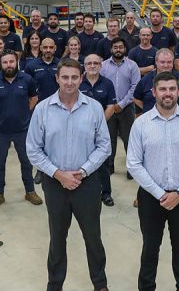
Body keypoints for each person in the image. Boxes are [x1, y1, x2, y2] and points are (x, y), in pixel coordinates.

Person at [26, 59, 111, 291]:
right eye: (65, 77)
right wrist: (58, 174)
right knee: (57, 239)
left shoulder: (94, 108)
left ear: (81, 78)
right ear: (57, 79)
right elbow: (33, 148)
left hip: (88, 184)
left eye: (74, 77)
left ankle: (100, 284)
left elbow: (104, 145)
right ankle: (55, 285)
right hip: (55, 185)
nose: (70, 82)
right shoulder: (43, 109)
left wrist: (82, 172)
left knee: (93, 238)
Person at [127, 71, 179, 291]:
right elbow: (133, 163)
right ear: (153, 92)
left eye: (172, 89)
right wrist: (160, 194)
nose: (168, 93)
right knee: (150, 249)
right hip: (151, 198)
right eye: (163, 89)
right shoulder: (141, 123)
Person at [0, 50, 42, 210]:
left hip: (22, 130)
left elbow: (34, 98)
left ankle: (30, 191)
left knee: (26, 162)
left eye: (11, 62)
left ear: (16, 62)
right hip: (0, 131)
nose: (8, 65)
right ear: (1, 64)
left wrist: (24, 113)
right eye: (5, 62)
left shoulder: (27, 80)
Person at [100, 37, 141, 181]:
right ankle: (109, 165)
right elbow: (102, 85)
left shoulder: (132, 65)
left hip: (127, 108)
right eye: (115, 47)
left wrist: (122, 104)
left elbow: (135, 86)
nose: (118, 50)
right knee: (109, 139)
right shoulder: (103, 66)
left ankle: (131, 168)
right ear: (111, 49)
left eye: (120, 47)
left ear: (125, 49)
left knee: (129, 139)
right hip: (109, 108)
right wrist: (112, 105)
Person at [80, 54, 118, 206]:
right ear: (84, 66)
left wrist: (98, 124)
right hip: (81, 129)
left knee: (102, 161)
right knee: (82, 160)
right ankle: (83, 192)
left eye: (96, 63)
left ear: (101, 65)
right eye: (89, 63)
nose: (92, 66)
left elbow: (111, 107)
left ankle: (106, 193)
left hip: (101, 129)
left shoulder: (107, 83)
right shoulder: (78, 83)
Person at [133, 48, 179, 113]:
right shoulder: (145, 79)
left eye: (169, 62)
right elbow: (136, 98)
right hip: (151, 120)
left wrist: (176, 109)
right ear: (156, 62)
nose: (166, 65)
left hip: (176, 119)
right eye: (162, 62)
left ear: (173, 63)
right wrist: (148, 109)